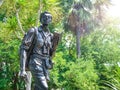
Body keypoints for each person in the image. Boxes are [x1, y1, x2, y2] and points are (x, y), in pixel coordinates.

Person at [19, 11, 54, 90]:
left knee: (38, 87)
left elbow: (50, 52)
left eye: (49, 17)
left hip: (45, 64)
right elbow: (23, 49)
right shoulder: (34, 31)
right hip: (35, 62)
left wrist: (50, 61)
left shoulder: (51, 36)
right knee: (44, 87)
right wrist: (22, 69)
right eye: (44, 17)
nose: (46, 19)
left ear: (51, 20)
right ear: (40, 19)